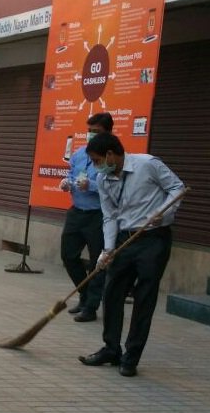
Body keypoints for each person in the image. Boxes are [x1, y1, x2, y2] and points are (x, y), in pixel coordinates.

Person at [78, 133, 185, 377]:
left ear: (110, 154)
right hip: (124, 240)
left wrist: (163, 213)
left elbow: (177, 188)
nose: (95, 166)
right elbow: (109, 215)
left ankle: (131, 357)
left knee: (144, 297)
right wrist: (107, 249)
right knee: (111, 292)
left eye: (96, 160)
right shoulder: (103, 179)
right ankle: (111, 349)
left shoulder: (147, 164)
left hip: (153, 239)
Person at [59, 112, 112, 323]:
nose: (91, 135)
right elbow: (72, 175)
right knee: (68, 255)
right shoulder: (79, 154)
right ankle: (84, 293)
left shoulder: (111, 158)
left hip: (98, 214)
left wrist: (91, 185)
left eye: (96, 132)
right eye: (89, 131)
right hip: (77, 211)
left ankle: (91, 306)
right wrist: (66, 183)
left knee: (97, 262)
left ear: (107, 133)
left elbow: (112, 186)